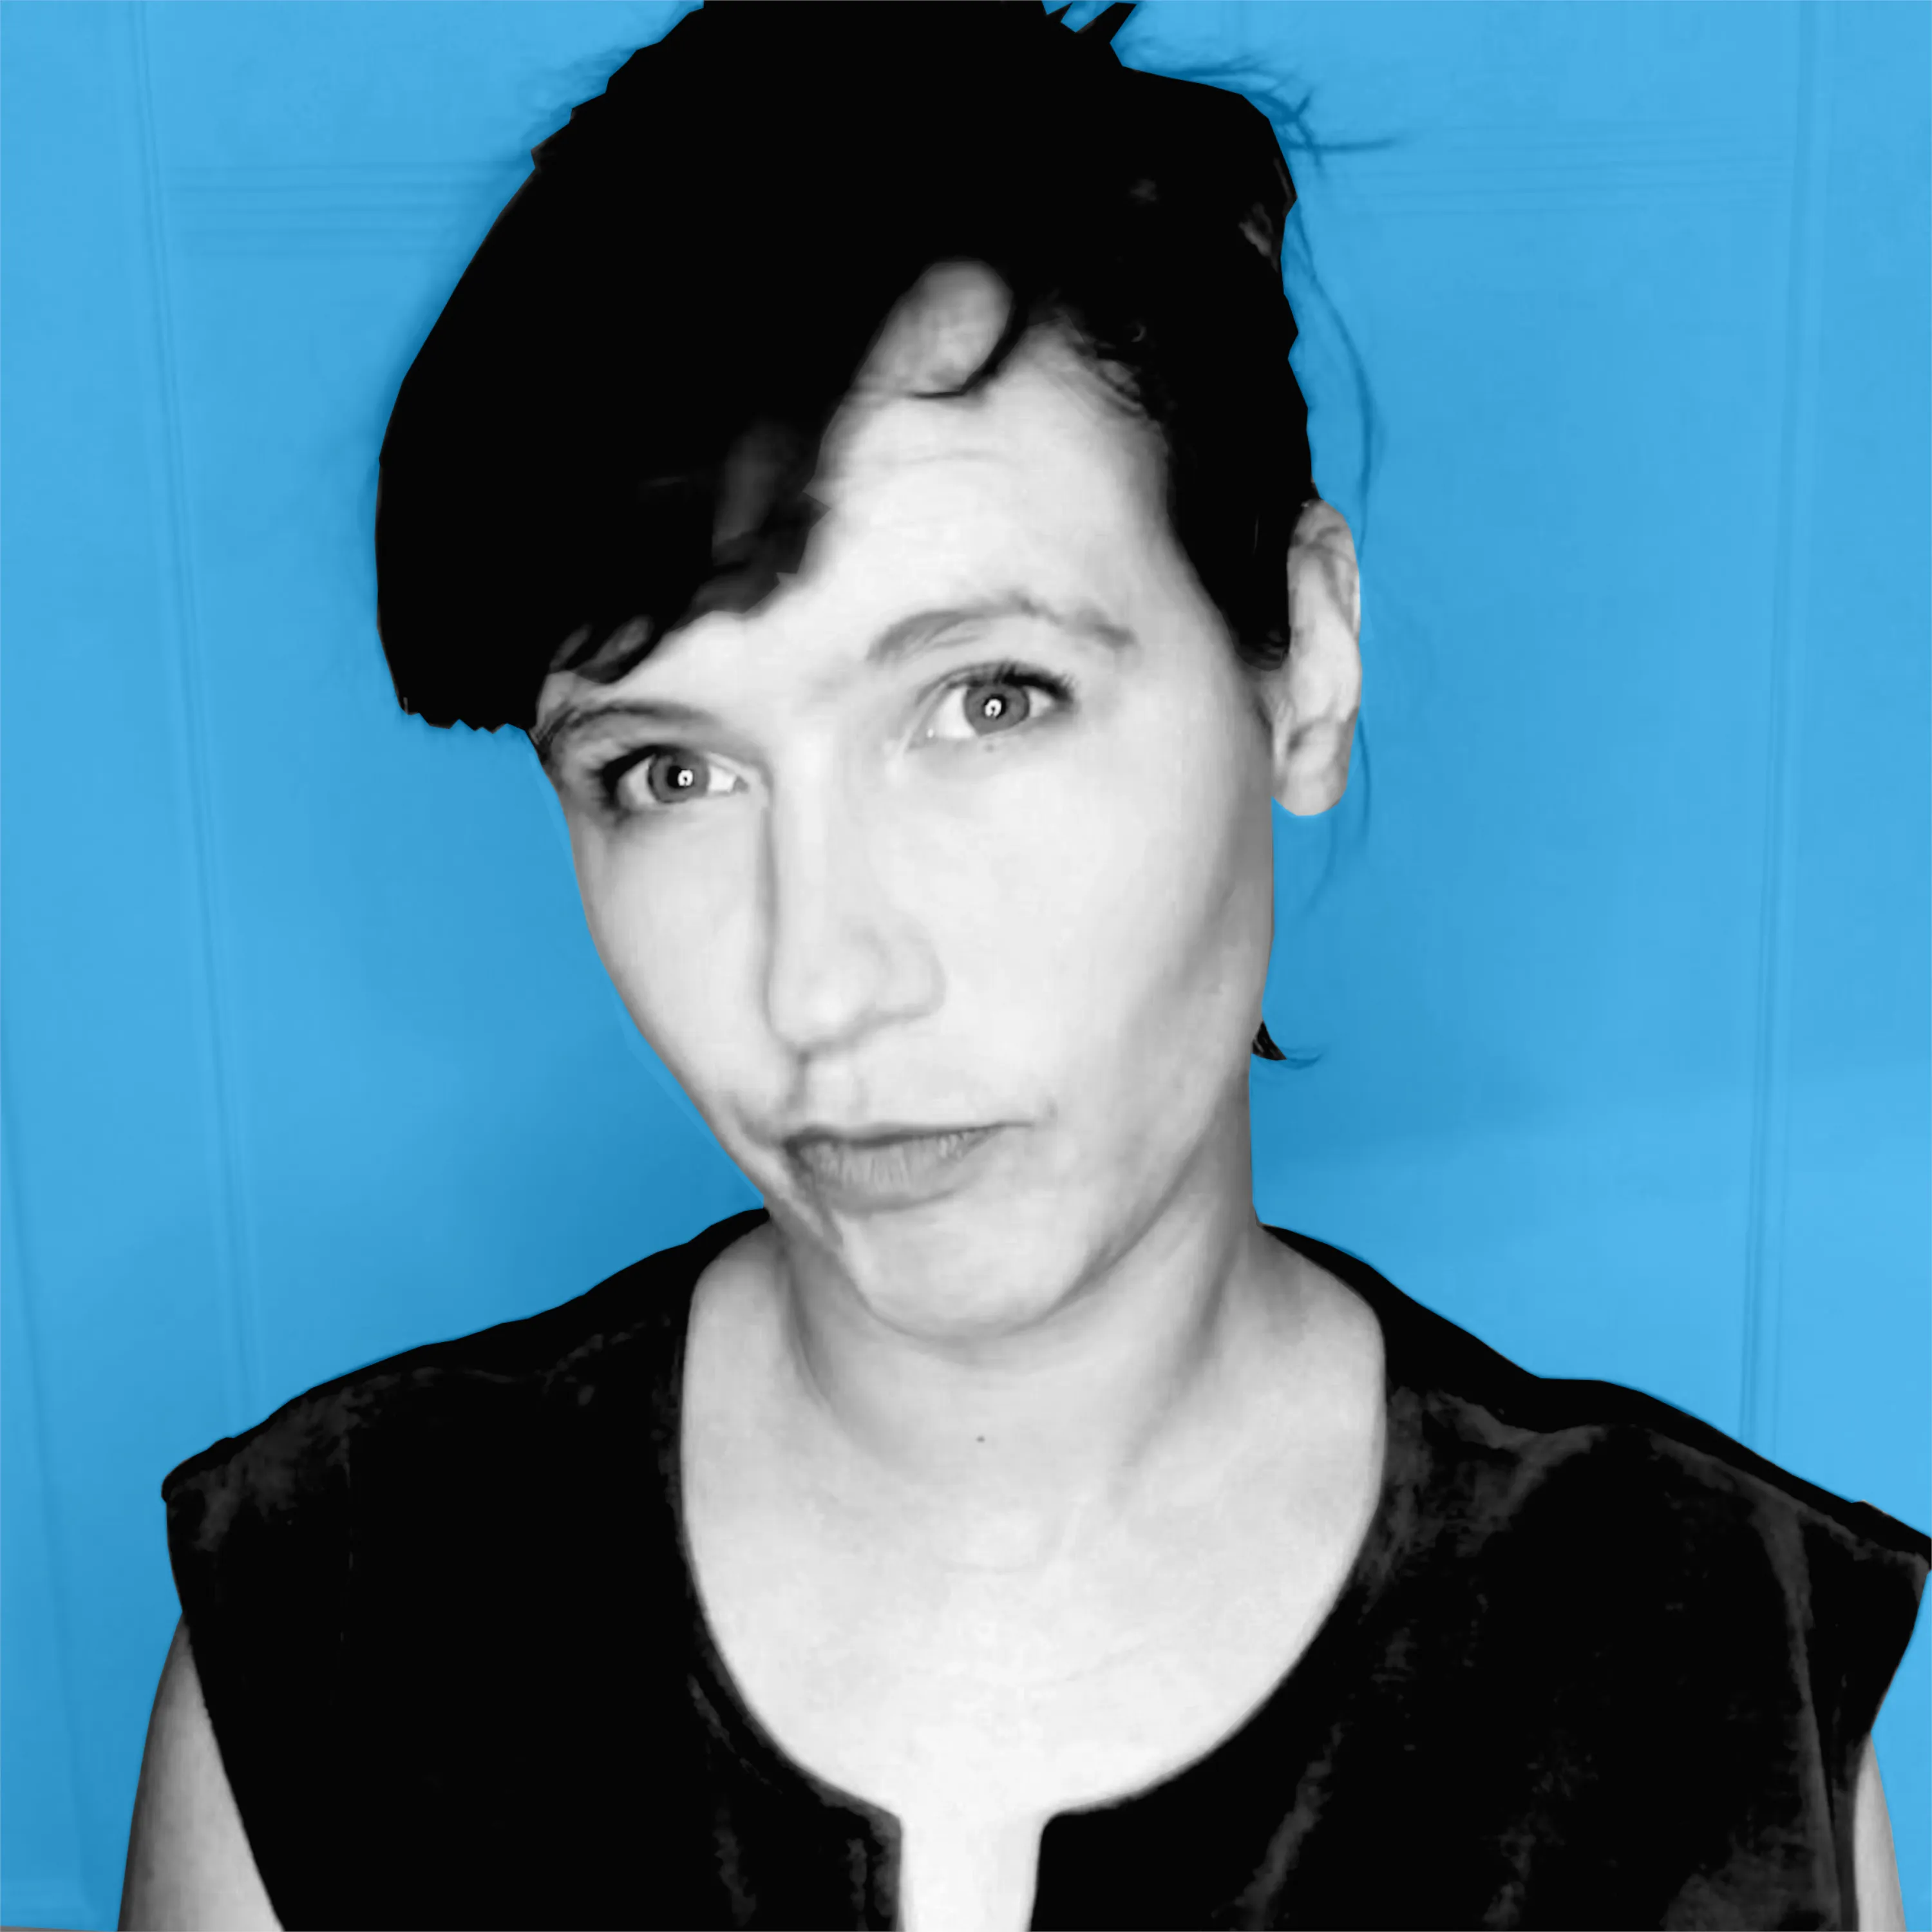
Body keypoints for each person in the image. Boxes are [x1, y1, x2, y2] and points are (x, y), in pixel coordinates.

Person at [119, 5, 1927, 1929]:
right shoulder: (329, 1624)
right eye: (667, 771)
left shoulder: (1704, 1674)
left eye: (991, 697)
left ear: (1304, 661)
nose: (821, 986)